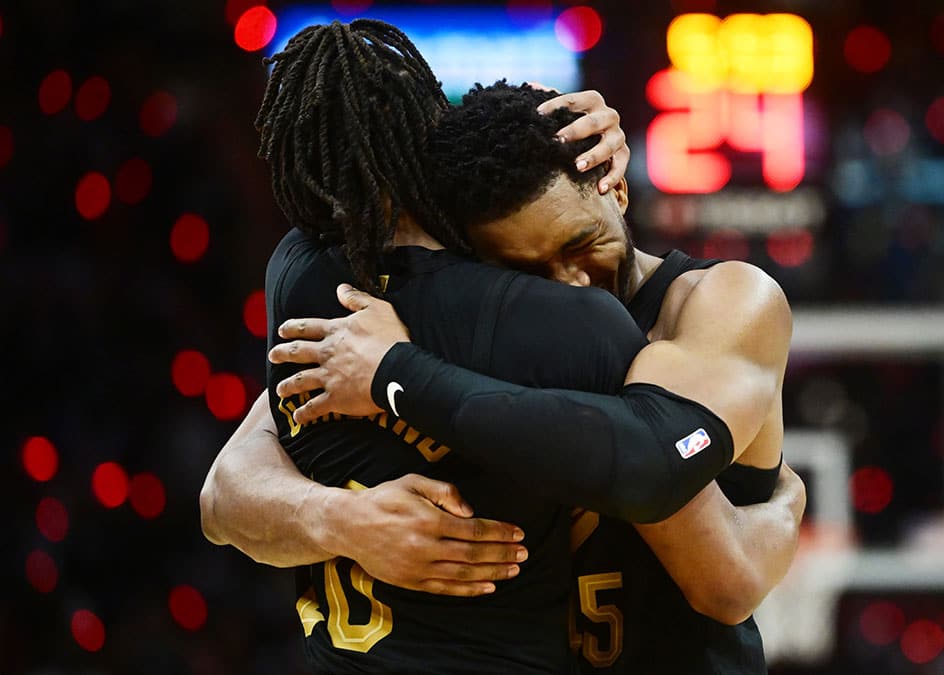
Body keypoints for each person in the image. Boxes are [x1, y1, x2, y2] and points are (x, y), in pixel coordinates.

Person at [199, 20, 803, 674]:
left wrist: (401, 376)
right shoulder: (485, 319)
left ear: (615, 186)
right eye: (530, 267)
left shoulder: (723, 301)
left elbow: (726, 577)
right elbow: (229, 487)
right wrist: (343, 517)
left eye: (578, 244)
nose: (570, 280)